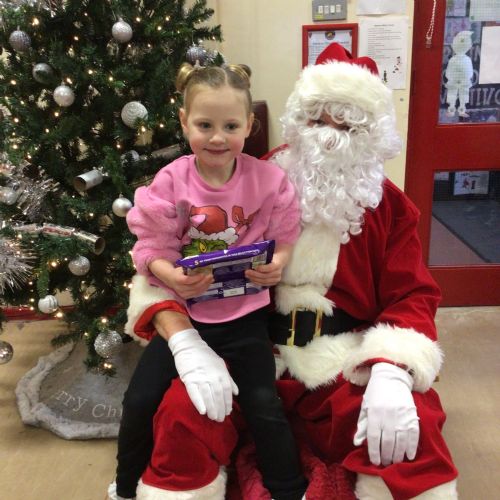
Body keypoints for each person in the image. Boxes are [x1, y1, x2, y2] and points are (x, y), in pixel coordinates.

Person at [121, 43, 459, 499]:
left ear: (371, 135)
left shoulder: (389, 207)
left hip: (340, 356)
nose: (329, 137)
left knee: (408, 432)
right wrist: (184, 342)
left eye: (347, 124)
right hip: (246, 338)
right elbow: (162, 256)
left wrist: (392, 369)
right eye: (318, 120)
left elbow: (413, 295)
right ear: (298, 121)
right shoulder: (250, 178)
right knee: (184, 412)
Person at [107, 62, 308, 500]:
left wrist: (278, 264)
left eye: (230, 126)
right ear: (184, 122)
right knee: (139, 400)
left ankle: (290, 490)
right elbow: (150, 249)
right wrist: (170, 275)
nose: (218, 137)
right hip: (188, 319)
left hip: (247, 318)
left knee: (264, 404)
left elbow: (286, 233)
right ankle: (124, 489)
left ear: (249, 125)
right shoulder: (170, 181)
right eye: (204, 125)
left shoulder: (269, 180)